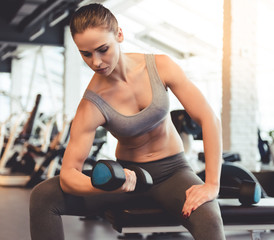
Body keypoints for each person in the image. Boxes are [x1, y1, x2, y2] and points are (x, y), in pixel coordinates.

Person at [29, 3, 226, 240]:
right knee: (43, 196)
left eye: (103, 49)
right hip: (127, 178)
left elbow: (208, 118)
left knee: (209, 218)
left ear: (119, 35)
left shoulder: (160, 67)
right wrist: (105, 185)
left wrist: (211, 184)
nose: (96, 62)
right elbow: (70, 173)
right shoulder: (91, 104)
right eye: (86, 54)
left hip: (173, 173)